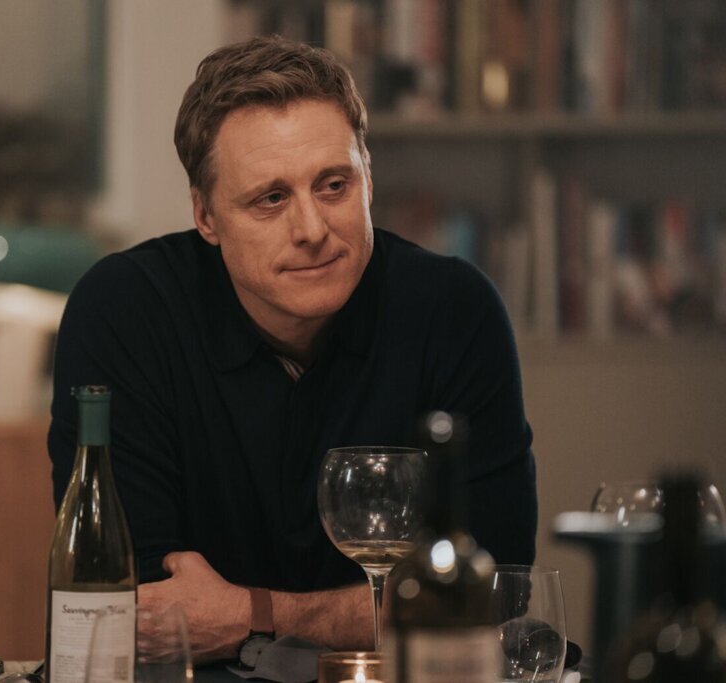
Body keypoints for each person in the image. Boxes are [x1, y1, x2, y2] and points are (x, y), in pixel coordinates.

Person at [48, 35, 537, 664]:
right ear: (206, 216)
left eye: (333, 185)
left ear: (368, 179)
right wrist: (368, 613)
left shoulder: (455, 311)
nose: (312, 230)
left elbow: (494, 591)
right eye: (271, 199)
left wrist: (253, 616)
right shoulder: (123, 313)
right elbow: (139, 605)